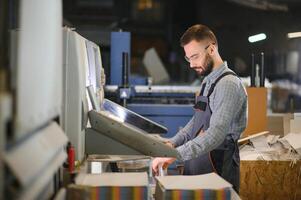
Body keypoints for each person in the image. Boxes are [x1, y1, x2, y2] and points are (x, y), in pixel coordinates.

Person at [152, 24, 247, 193]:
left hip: (219, 167)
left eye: (195, 56)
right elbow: (196, 121)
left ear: (211, 49)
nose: (191, 64)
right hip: (200, 163)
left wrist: (175, 155)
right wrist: (172, 143)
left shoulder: (228, 84)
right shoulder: (207, 81)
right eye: (189, 58)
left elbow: (216, 134)